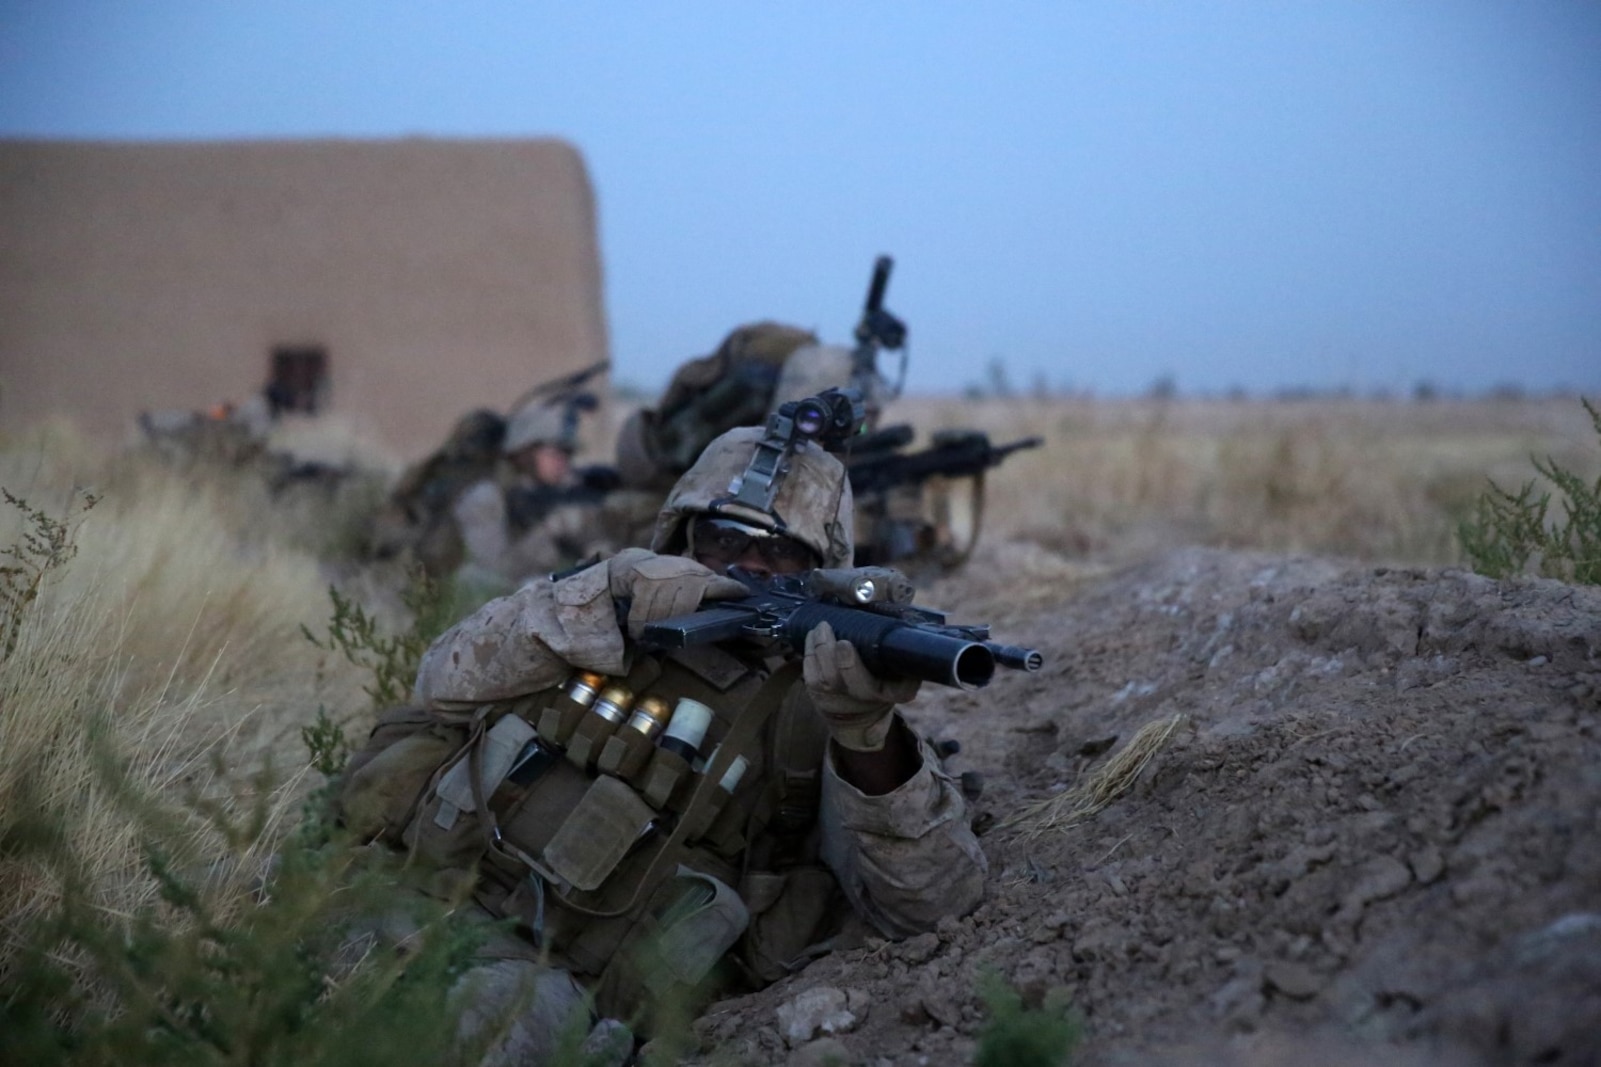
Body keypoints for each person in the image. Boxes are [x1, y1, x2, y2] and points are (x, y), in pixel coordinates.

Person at [335, 423, 988, 1064]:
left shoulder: (816, 709)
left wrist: (866, 738)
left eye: (781, 552)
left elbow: (932, 904)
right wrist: (607, 601)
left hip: (533, 977)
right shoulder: (596, 615)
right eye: (724, 537)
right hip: (401, 891)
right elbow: (439, 680)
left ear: (820, 571)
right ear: (682, 536)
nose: (749, 564)